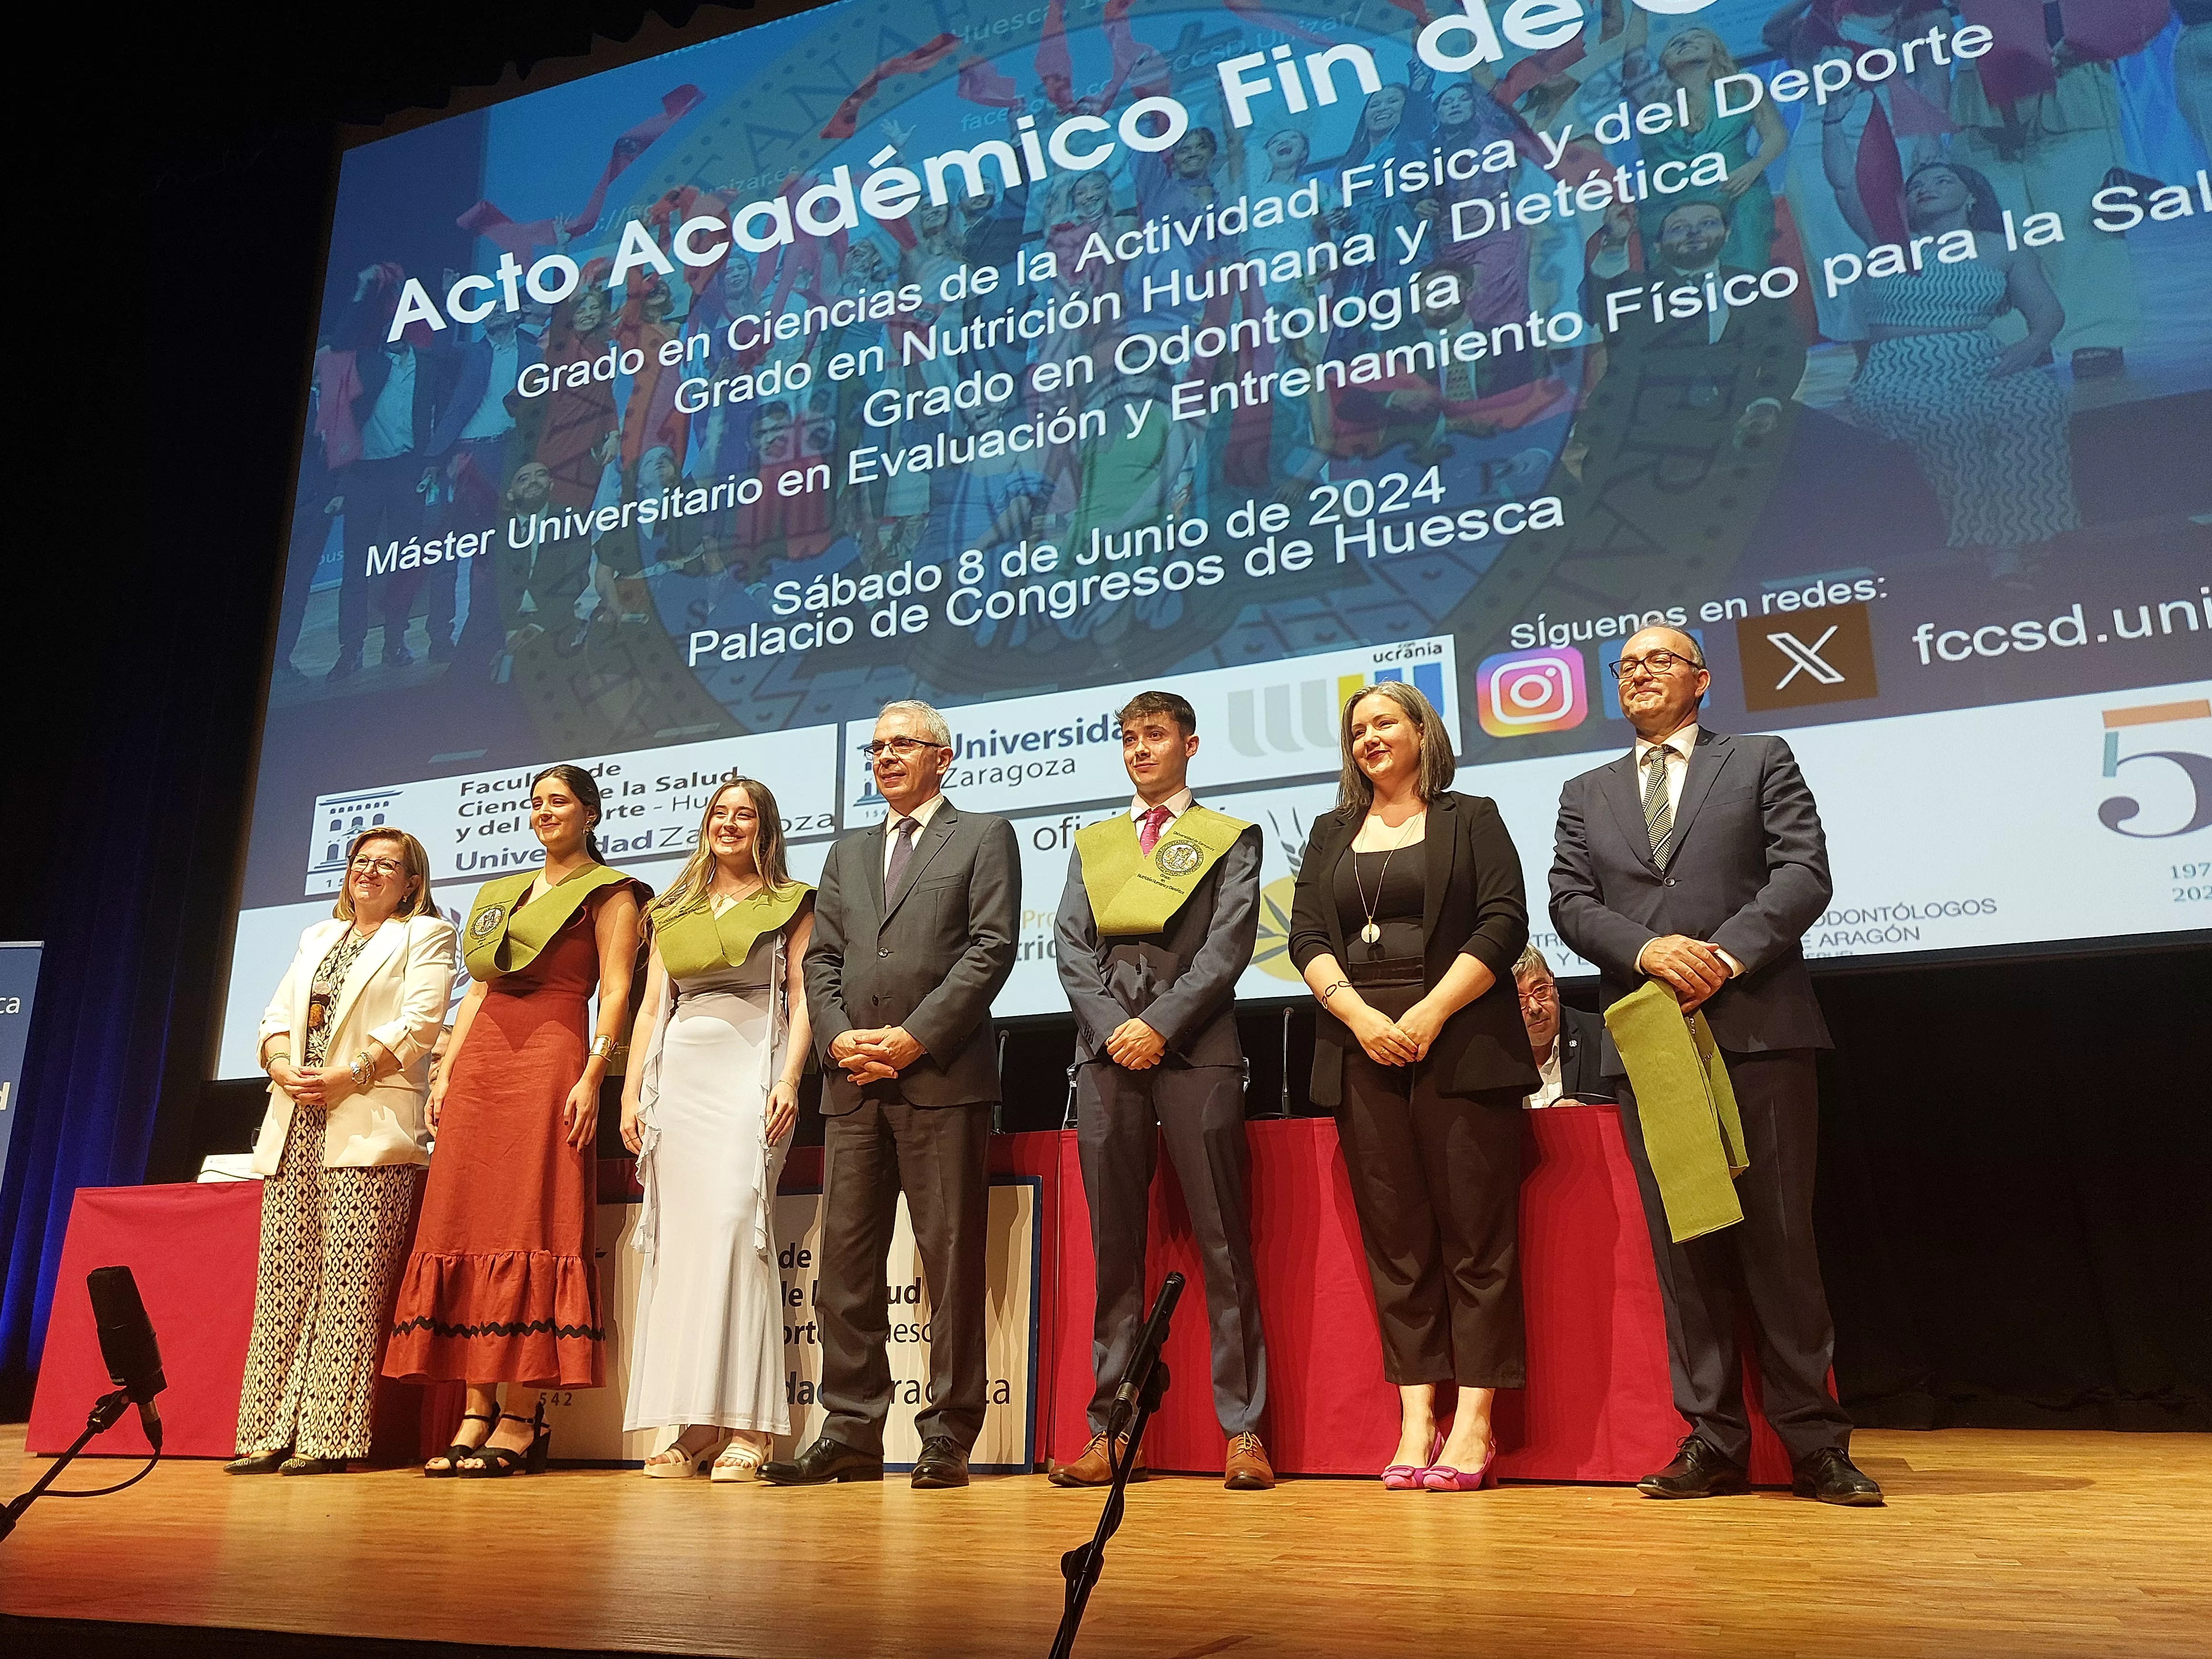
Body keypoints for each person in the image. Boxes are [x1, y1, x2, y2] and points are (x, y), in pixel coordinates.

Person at [1549, 626, 1881, 1505]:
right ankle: (1710, 1437)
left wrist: (1721, 956)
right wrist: (1653, 951)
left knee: (1777, 1240)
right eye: (1624, 665)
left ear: (1700, 679)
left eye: (1657, 660)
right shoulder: (1585, 791)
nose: (1637, 673)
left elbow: (1802, 874)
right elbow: (1569, 901)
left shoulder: (1759, 757)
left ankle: (1812, 1440)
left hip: (1756, 1030)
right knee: (1684, 1246)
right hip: (1651, 1039)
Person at [1287, 682, 1537, 1493]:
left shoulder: (1473, 816)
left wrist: (1428, 1011)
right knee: (1396, 1245)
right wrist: (1360, 1017)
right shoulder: (1329, 831)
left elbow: (1501, 922)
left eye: (1382, 721)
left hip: (1458, 1040)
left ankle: (1473, 1422)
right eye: (1355, 729)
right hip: (1361, 1047)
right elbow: (1306, 937)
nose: (1366, 738)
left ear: (1420, 730)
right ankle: (1414, 1418)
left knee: (1474, 1238)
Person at [765, 701, 1020, 1490]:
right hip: (852, 1086)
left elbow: (990, 949)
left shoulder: (983, 835)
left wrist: (914, 1038)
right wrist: (839, 1038)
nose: (883, 756)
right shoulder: (845, 853)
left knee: (947, 1263)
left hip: (940, 1081)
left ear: (943, 757)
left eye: (900, 743)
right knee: (843, 1267)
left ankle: (946, 1432)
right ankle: (849, 1427)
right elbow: (824, 961)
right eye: (874, 745)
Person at [383, 764, 647, 1477]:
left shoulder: (613, 893)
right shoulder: (499, 894)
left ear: (589, 812)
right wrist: (445, 1069)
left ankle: (523, 1415)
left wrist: (596, 1073)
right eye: (535, 803)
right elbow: (476, 994)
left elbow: (617, 992)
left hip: (554, 1056)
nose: (543, 813)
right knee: (469, 1221)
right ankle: (475, 1408)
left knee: (533, 1219)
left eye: (558, 801)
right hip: (483, 1067)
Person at [1050, 691, 1273, 1492]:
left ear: (1190, 744)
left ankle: (1243, 1429)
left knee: (1222, 1244)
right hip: (1105, 1056)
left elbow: (1228, 944)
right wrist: (1116, 1026)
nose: (1138, 749)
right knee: (1115, 1250)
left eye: (1153, 736)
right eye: (1127, 738)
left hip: (1197, 1055)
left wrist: (1160, 1024)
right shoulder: (1096, 842)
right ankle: (1111, 1432)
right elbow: (1068, 944)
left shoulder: (1229, 838)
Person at [229, 831, 455, 1475]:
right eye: (361, 862)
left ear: (411, 881)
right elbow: (274, 1016)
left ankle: (328, 1438)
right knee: (282, 1284)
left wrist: (346, 1075)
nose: (370, 872)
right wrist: (280, 1066)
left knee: (348, 1288)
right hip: (296, 1120)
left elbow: (420, 1023)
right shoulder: (315, 938)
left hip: (366, 1121)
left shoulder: (426, 937)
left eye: (387, 865)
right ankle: (266, 1432)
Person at [619, 779, 814, 1482]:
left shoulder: (792, 902)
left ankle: (750, 1428)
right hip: (682, 1085)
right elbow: (650, 1011)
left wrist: (789, 1080)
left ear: (764, 828)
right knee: (687, 1252)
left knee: (740, 1233)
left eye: (745, 814)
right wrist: (632, 1097)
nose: (729, 824)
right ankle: (697, 1421)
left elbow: (802, 1000)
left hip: (750, 1079)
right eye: (720, 813)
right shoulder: (671, 910)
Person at [1824, 147, 2075, 568]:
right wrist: (1833, 122)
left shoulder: (2001, 249)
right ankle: (1992, 548)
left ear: (1972, 195)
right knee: (1952, 422)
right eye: (1918, 186)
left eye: (1942, 181)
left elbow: (2048, 313)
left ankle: (2033, 532)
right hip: (1898, 369)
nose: (1927, 189)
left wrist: (2029, 349)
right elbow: (1845, 185)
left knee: (2037, 405)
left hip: (1980, 358)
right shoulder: (1887, 241)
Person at [1511, 947, 1611, 1109]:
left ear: (1553, 982)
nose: (1534, 1007)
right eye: (1519, 999)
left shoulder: (1602, 1036)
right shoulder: (1488, 1061)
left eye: (1541, 990)